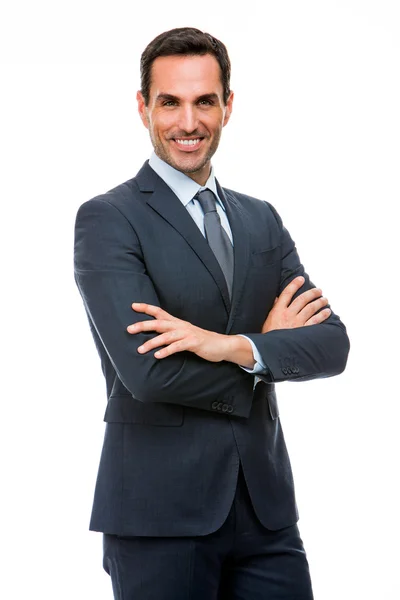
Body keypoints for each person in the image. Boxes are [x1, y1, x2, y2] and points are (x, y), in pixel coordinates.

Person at [74, 26, 350, 600]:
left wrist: (228, 346)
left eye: (204, 101)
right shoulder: (109, 219)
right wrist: (267, 352)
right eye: (169, 102)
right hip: (158, 514)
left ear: (228, 106)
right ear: (143, 107)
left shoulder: (260, 220)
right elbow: (148, 372)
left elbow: (331, 344)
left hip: (266, 514)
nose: (188, 122)